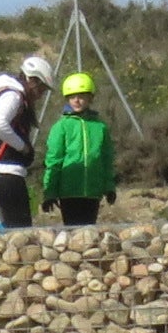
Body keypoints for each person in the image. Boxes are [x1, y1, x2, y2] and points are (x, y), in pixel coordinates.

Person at [0, 54, 58, 229]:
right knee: (21, 234)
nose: (41, 95)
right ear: (32, 80)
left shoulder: (2, 94)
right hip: (6, 174)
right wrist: (24, 148)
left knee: (9, 230)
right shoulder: (13, 96)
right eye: (42, 89)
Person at [42, 72, 117, 227]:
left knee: (89, 233)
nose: (76, 100)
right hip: (69, 192)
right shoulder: (61, 126)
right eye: (72, 96)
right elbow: (54, 160)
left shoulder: (100, 127)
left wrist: (109, 186)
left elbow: (106, 159)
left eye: (81, 96)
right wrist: (50, 193)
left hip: (92, 192)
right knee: (74, 233)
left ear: (90, 98)